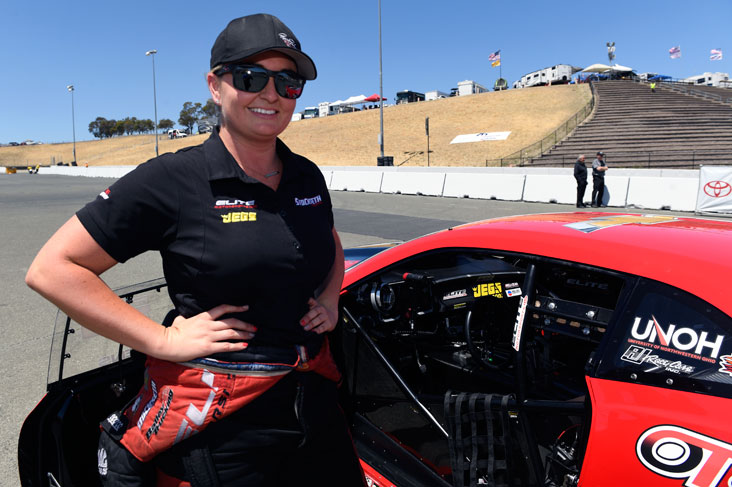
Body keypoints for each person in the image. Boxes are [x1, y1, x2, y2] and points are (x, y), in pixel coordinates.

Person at [26, 13, 366, 487]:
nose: (271, 93)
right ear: (215, 85)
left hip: (315, 408)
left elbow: (326, 239)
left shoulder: (306, 174)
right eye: (251, 77)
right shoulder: (174, 179)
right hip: (222, 424)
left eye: (289, 81)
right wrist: (162, 341)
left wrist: (330, 296)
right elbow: (53, 268)